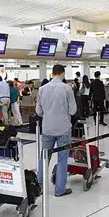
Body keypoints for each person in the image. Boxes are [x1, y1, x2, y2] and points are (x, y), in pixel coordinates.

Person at [36, 65, 77, 197]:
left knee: (44, 158)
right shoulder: (67, 89)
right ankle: (60, 190)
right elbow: (73, 111)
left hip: (47, 128)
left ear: (52, 74)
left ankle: (38, 186)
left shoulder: (42, 89)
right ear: (63, 74)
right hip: (63, 128)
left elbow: (38, 111)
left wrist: (49, 114)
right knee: (62, 159)